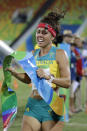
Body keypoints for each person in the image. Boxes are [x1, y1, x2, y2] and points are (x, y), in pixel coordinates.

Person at [6, 9, 71, 131]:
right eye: (38, 32)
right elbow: (28, 78)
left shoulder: (60, 54)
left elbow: (67, 82)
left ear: (52, 36)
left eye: (44, 33)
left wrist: (49, 77)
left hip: (52, 106)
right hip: (33, 105)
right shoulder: (32, 54)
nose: (39, 35)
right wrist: (14, 73)